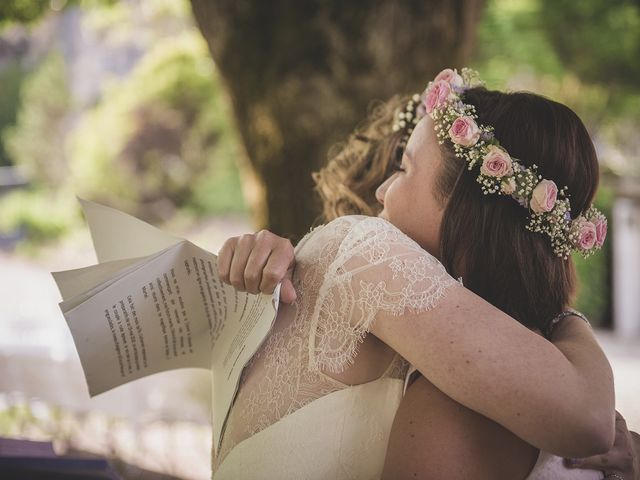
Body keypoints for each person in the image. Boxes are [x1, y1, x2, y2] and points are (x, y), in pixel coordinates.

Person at [212, 68, 618, 479]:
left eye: (403, 168)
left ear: (465, 208)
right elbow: (591, 421)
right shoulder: (361, 247)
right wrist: (565, 321)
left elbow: (588, 421)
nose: (380, 191)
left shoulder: (484, 367)